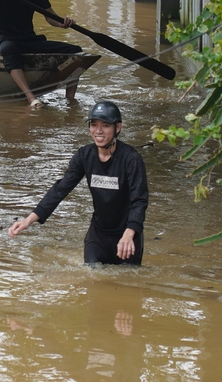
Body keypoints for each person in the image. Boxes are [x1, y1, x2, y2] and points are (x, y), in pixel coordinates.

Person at [8, 101, 149, 265]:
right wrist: (28, 221)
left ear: (118, 128)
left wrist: (130, 233)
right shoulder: (85, 156)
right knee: (92, 277)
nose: (98, 131)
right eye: (94, 125)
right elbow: (61, 189)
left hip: (127, 236)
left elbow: (139, 200)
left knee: (127, 284)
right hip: (98, 236)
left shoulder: (131, 159)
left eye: (105, 125)